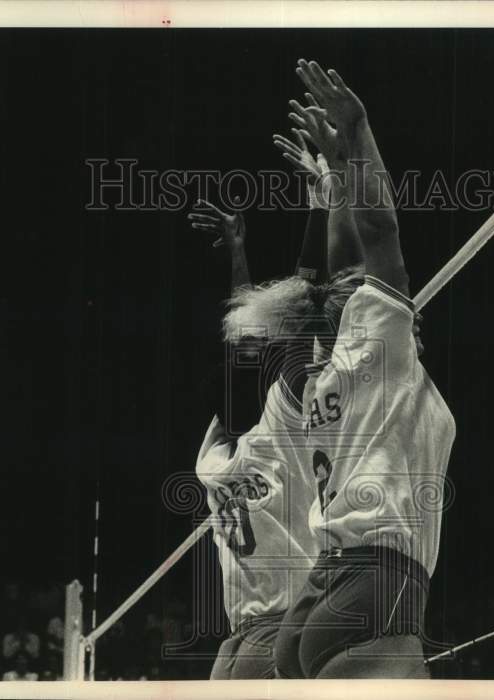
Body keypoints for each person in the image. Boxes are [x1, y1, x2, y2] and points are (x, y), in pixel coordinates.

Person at [272, 59, 456, 679]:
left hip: (319, 589)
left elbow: (339, 266)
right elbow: (376, 232)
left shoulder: (319, 380)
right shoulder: (380, 340)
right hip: (376, 580)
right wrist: (359, 135)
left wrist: (331, 188)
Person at [187, 144, 358, 679]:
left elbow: (270, 322)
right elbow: (269, 319)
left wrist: (316, 206)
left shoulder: (241, 441)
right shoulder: (251, 436)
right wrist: (240, 248)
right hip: (260, 633)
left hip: (261, 635)